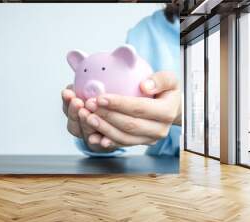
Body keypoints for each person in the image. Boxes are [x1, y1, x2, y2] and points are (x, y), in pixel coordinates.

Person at [62, 3, 181, 157]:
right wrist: (100, 136)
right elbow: (125, 112)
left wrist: (183, 113)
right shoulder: (144, 31)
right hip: (160, 166)